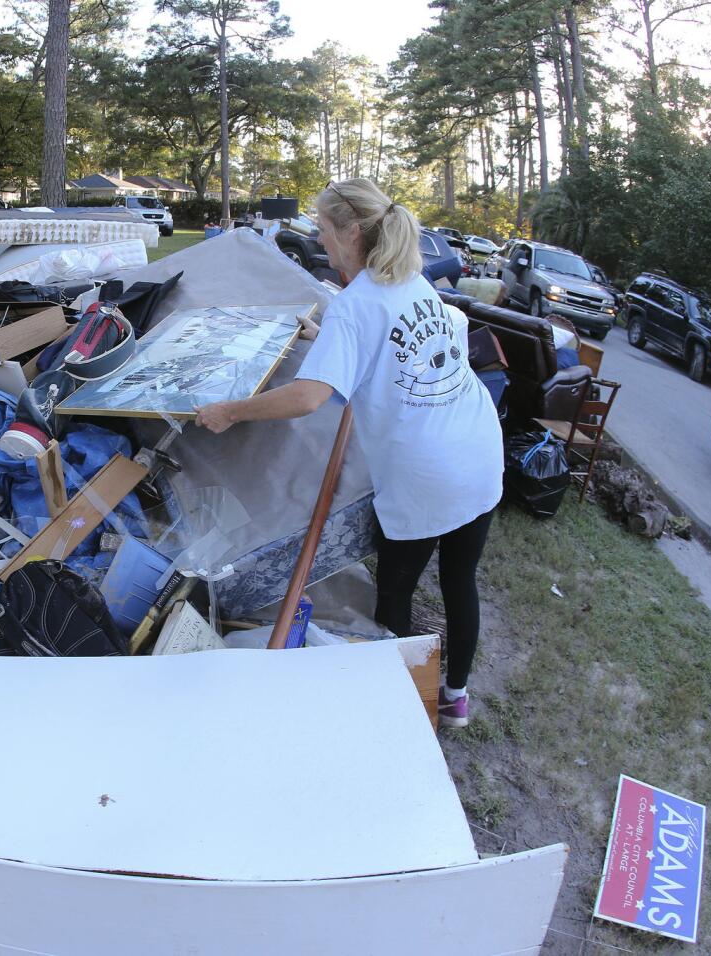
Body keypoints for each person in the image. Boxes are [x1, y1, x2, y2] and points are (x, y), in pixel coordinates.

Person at [195, 178, 503, 728]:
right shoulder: (409, 278)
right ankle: (454, 696)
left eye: (323, 228)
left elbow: (311, 397)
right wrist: (327, 337)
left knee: (395, 590)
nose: (319, 237)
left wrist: (230, 411)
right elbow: (391, 342)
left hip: (426, 472)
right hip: (478, 446)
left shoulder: (356, 305)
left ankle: (402, 698)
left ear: (351, 231)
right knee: (461, 579)